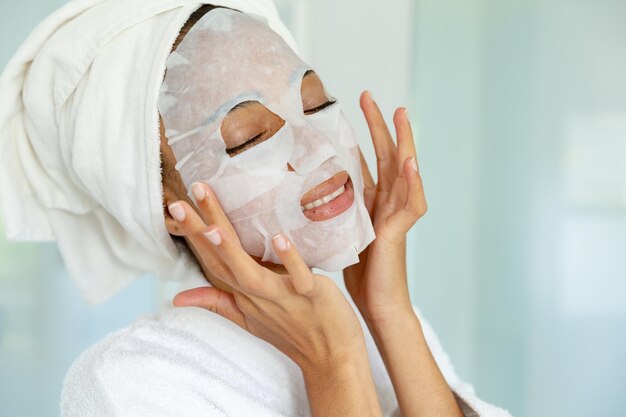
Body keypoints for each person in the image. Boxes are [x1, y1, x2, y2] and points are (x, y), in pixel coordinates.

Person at [0, 1, 512, 416]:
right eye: (250, 137)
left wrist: (390, 312)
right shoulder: (130, 382)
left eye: (316, 105)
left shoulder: (381, 325)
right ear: (173, 209)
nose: (319, 148)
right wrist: (333, 364)